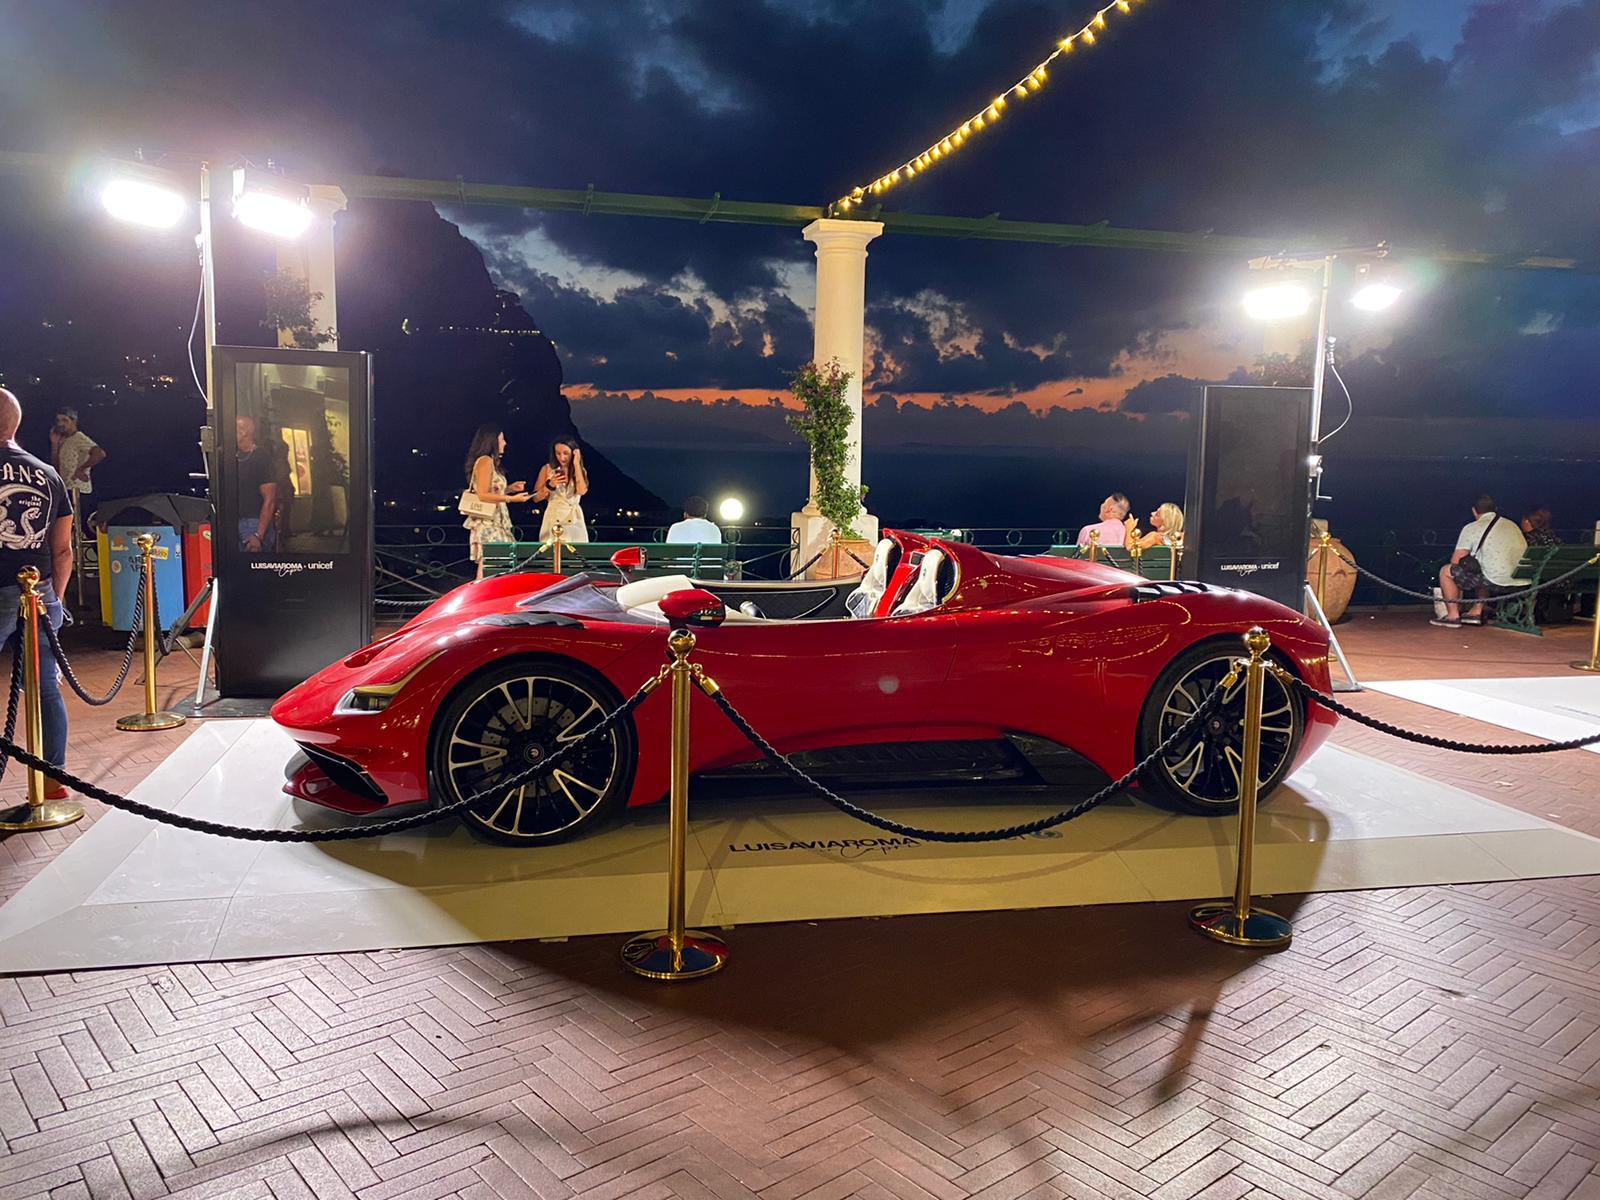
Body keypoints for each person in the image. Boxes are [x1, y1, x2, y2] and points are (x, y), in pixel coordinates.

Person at [0, 389, 74, 798]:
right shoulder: (48, 474)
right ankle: (54, 780)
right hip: (39, 591)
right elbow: (62, 550)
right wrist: (54, 599)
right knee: (45, 687)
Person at [1433, 493, 1527, 628]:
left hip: (1496, 581)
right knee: (1483, 568)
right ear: (1495, 509)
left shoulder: (1471, 527)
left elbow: (1456, 560)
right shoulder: (1512, 525)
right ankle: (1475, 612)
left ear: (1474, 510)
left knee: (1446, 571)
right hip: (1522, 580)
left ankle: (1453, 616)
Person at [462, 423, 531, 580]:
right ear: (492, 441)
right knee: (492, 565)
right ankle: (482, 594)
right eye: (501, 439)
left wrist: (509, 489)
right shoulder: (485, 461)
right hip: (489, 523)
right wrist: (511, 499)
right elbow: (483, 494)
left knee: (495, 565)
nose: (504, 443)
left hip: (495, 522)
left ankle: (484, 593)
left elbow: (491, 491)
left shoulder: (490, 462)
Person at [49, 407, 106, 532]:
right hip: (66, 488)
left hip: (79, 490)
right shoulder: (63, 440)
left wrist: (82, 469)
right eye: (58, 420)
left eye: (65, 420)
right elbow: (56, 468)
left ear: (73, 422)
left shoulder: (79, 437)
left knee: (81, 526)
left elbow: (100, 453)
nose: (60, 424)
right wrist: (54, 445)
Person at [235, 415, 280, 553]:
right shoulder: (234, 456)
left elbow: (270, 500)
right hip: (236, 521)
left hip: (254, 523)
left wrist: (258, 534)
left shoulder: (261, 458)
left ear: (244, 432)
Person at [534, 435, 589, 544]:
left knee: (576, 550)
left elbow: (582, 491)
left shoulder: (580, 471)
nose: (562, 457)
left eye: (565, 453)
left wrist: (576, 465)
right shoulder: (547, 469)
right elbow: (536, 498)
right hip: (554, 517)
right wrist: (550, 485)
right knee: (554, 550)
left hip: (574, 519)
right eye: (558, 453)